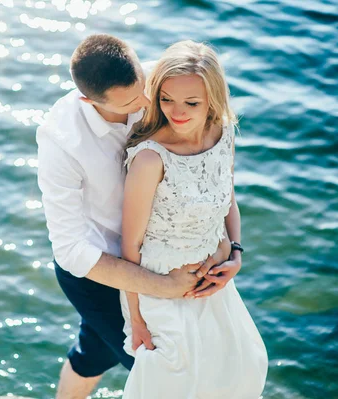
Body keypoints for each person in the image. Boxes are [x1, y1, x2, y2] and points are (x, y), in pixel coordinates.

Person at [36, 34, 243, 399]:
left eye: (146, 89)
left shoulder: (158, 86)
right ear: (89, 100)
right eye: (132, 102)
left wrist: (231, 246)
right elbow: (71, 250)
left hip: (166, 256)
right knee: (159, 369)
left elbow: (210, 172)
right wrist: (162, 286)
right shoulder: (61, 140)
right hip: (103, 269)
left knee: (95, 350)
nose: (148, 104)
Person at [120, 40, 268, 398]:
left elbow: (227, 198)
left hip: (214, 277)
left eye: (191, 102)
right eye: (166, 99)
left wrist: (235, 255)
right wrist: (136, 320)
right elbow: (130, 245)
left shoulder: (225, 133)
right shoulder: (150, 160)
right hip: (159, 283)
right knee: (173, 381)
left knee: (245, 365)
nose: (177, 111)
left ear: (213, 100)